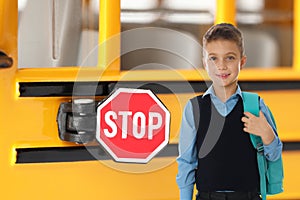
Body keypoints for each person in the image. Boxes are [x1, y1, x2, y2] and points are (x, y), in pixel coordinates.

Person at [176, 23, 283, 200]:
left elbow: (273, 155)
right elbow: (187, 163)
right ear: (204, 63)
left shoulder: (255, 105)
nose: (222, 66)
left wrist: (267, 135)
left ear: (242, 62)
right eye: (213, 58)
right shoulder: (195, 108)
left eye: (230, 58)